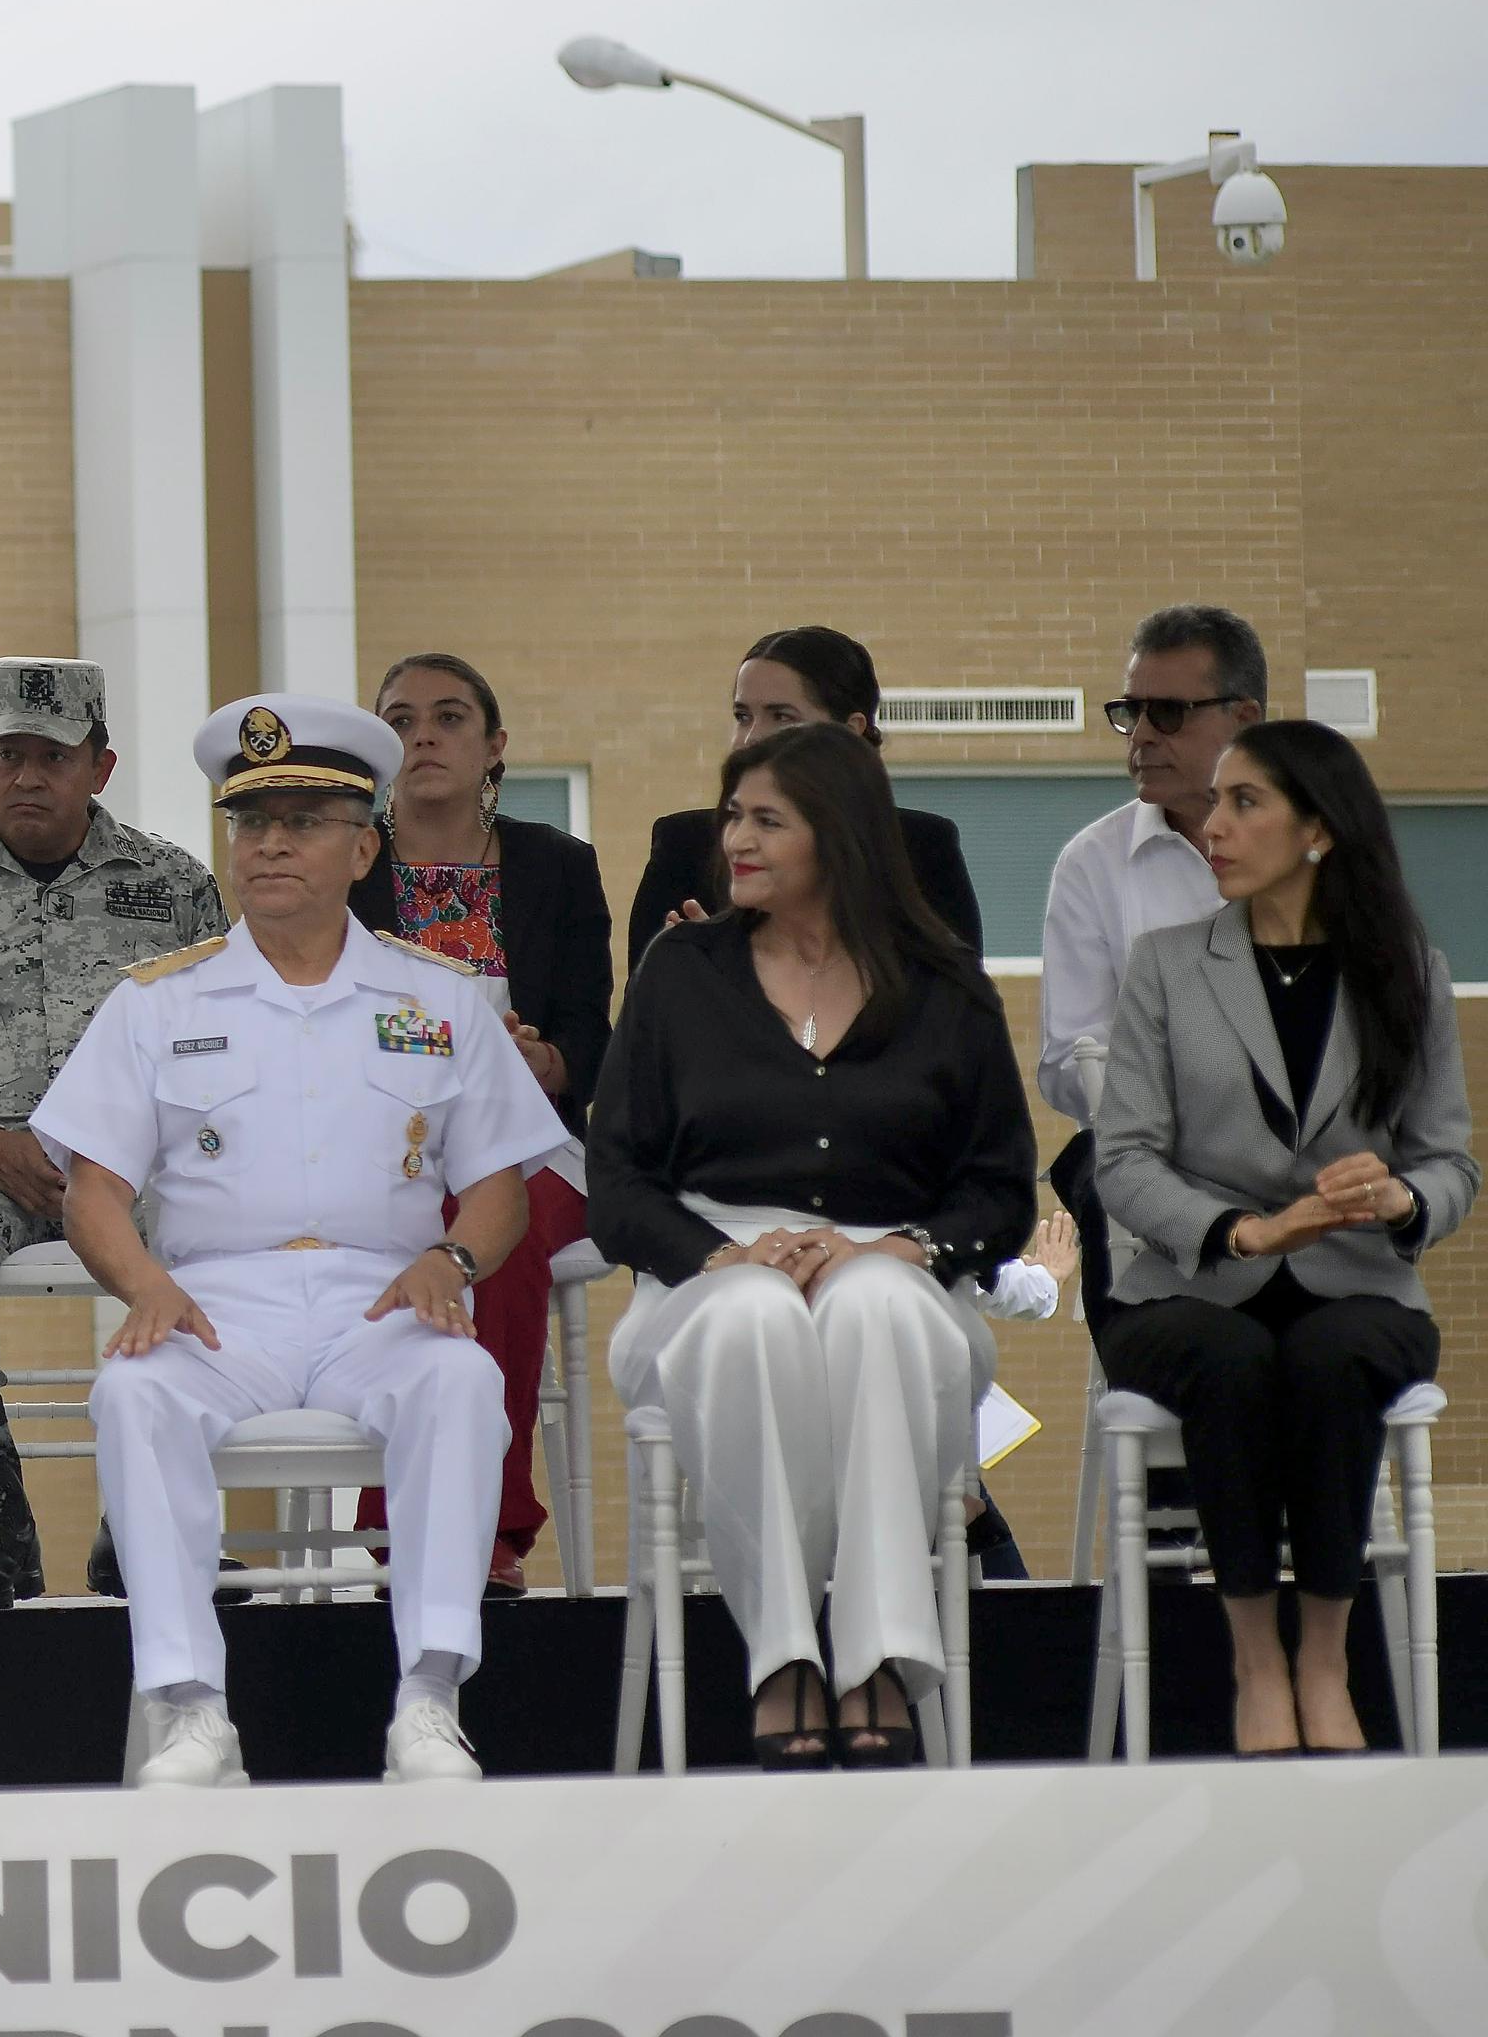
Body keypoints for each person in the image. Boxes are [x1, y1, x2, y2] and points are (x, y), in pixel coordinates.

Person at [37, 697, 567, 1788]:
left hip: (386, 1297)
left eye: (303, 820)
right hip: (217, 1303)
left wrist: (453, 1259)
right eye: (250, 821)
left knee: (461, 1381)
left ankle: (428, 1701)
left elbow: (499, 1187)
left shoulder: (440, 997)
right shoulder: (156, 1003)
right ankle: (191, 1712)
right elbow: (92, 1190)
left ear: (362, 848)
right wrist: (142, 1283)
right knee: (132, 1392)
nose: (269, 843)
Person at [589, 723, 1036, 1769]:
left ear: (838, 836)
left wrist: (905, 1249)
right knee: (753, 1314)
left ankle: (877, 1653)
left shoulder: (943, 984)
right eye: (732, 816)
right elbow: (615, 1180)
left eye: (765, 821)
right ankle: (783, 1655)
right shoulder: (680, 973)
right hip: (707, 1268)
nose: (734, 841)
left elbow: (1000, 1188)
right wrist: (722, 1256)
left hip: (897, 1266)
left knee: (872, 1306)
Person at [1090, 720, 1469, 1756]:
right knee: (1232, 1359)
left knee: (1331, 1357)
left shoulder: (1409, 973)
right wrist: (1247, 1230)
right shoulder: (1166, 965)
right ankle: (1255, 1660)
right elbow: (1122, 1159)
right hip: (1189, 1289)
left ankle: (1323, 1660)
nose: (1211, 825)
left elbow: (1449, 1163)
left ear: (1318, 830)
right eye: (1214, 801)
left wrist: (1399, 1199)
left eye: (1242, 801)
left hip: (1360, 1288)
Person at [0, 657, 221, 1603]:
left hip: (136, 1165)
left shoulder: (175, 886)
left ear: (100, 767)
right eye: (9, 754)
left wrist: (125, 1147)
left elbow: (219, 1049)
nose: (27, 777)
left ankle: (150, 1507)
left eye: (53, 757)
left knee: (223, 1238)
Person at [345, 653, 611, 1592]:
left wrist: (548, 1062)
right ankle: (408, 1519)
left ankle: (485, 1521)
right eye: (401, 719)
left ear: (495, 745)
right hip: (379, 1139)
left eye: (449, 717)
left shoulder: (558, 866)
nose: (423, 735)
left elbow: (591, 1035)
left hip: (529, 1135)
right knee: (418, 1211)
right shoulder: (342, 861)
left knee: (498, 1217)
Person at [1041, 605, 1272, 1323]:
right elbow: (1066, 1062)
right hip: (1143, 1155)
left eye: (1167, 713)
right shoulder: (1091, 864)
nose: (1141, 735)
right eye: (1130, 712)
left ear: (1243, 719)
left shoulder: (1321, 858)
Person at [625, 628, 983, 963]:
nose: (751, 738)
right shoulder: (687, 847)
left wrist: (739, 974)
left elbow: (958, 998)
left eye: (782, 716)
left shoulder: (921, 849)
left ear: (850, 730)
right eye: (742, 716)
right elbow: (642, 1002)